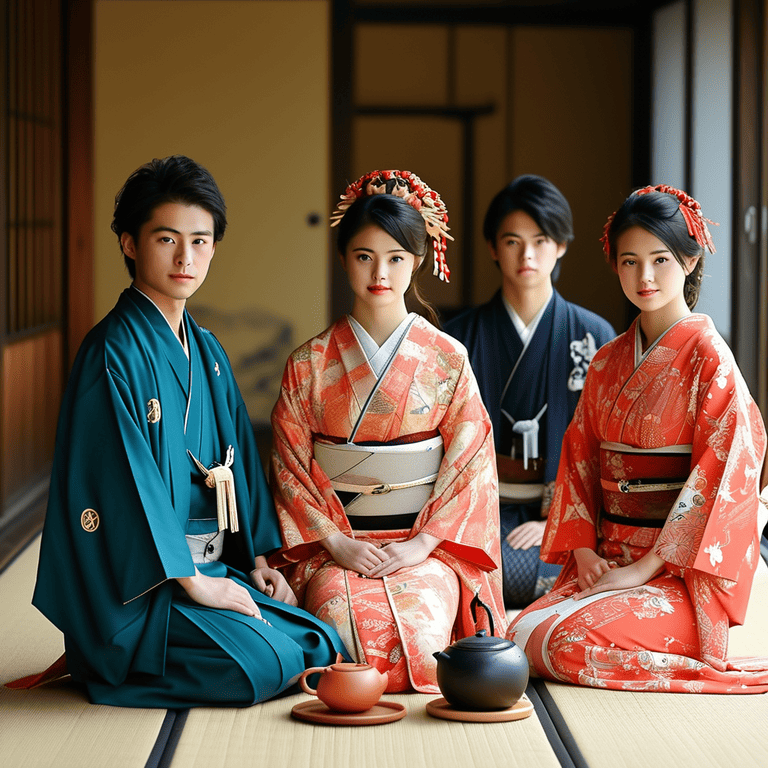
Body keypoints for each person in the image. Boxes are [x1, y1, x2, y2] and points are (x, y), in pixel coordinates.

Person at [11, 156, 346, 707]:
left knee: (318, 640)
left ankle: (228, 623)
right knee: (263, 664)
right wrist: (194, 581)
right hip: (144, 589)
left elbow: (237, 455)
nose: (186, 257)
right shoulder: (110, 352)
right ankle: (109, 660)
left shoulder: (208, 351)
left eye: (201, 240)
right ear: (129, 243)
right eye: (167, 238)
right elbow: (123, 486)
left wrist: (259, 562)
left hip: (213, 568)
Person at [506, 184, 768, 693]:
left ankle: (698, 664)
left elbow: (724, 477)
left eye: (660, 259)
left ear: (690, 262)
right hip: (609, 560)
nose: (644, 277)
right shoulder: (607, 361)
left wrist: (646, 566)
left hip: (677, 576)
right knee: (520, 634)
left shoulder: (710, 359)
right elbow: (580, 460)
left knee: (561, 643)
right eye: (629, 261)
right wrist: (584, 553)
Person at [269, 170, 505, 693]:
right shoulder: (308, 364)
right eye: (364, 256)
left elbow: (471, 464)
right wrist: (335, 543)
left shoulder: (447, 358)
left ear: (417, 261)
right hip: (338, 548)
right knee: (346, 633)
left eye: (396, 258)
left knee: (422, 639)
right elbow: (288, 467)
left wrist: (421, 544)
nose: (381, 272)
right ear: (343, 257)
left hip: (424, 547)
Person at [445, 175, 615, 608]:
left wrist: (562, 522)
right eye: (512, 241)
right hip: (481, 509)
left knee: (585, 569)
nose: (527, 254)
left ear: (561, 245)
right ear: (492, 247)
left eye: (540, 240)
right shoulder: (458, 339)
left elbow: (602, 444)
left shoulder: (593, 336)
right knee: (472, 570)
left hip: (568, 514)